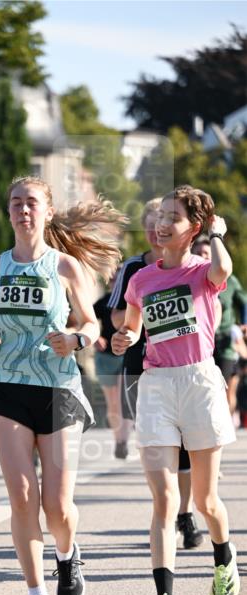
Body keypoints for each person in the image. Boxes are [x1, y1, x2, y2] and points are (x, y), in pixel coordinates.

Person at [0, 176, 125, 595]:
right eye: (16, 202)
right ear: (8, 212)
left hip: (58, 389)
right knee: (22, 496)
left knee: (56, 506)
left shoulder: (66, 267)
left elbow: (92, 324)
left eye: (31, 202)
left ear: (47, 211)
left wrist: (75, 339)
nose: (23, 209)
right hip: (8, 387)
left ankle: (67, 553)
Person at [113, 185, 239, 595]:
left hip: (199, 383)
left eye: (174, 217)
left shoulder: (204, 272)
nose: (162, 223)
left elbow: (223, 268)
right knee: (165, 500)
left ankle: (224, 557)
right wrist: (125, 338)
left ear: (193, 228)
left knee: (205, 501)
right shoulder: (141, 280)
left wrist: (217, 234)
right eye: (160, 215)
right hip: (157, 387)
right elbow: (132, 326)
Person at [110, 199, 203, 549]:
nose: (156, 230)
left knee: (186, 445)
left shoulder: (190, 266)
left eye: (162, 222)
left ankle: (185, 513)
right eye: (150, 225)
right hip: (141, 366)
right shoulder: (134, 268)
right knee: (162, 443)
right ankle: (169, 511)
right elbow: (117, 316)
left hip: (183, 367)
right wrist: (137, 322)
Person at [193, 235, 247, 419]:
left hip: (224, 341)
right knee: (202, 389)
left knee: (224, 388)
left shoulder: (229, 280)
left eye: (206, 253)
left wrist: (244, 322)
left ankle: (225, 424)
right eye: (198, 253)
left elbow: (244, 302)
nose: (202, 256)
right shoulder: (189, 279)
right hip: (199, 343)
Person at [92, 284, 128, 453]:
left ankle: (123, 440)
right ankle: (118, 439)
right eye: (113, 279)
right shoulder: (104, 301)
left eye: (119, 278)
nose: (115, 282)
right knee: (112, 402)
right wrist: (95, 337)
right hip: (105, 356)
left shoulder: (131, 299)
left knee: (121, 400)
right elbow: (85, 320)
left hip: (126, 356)